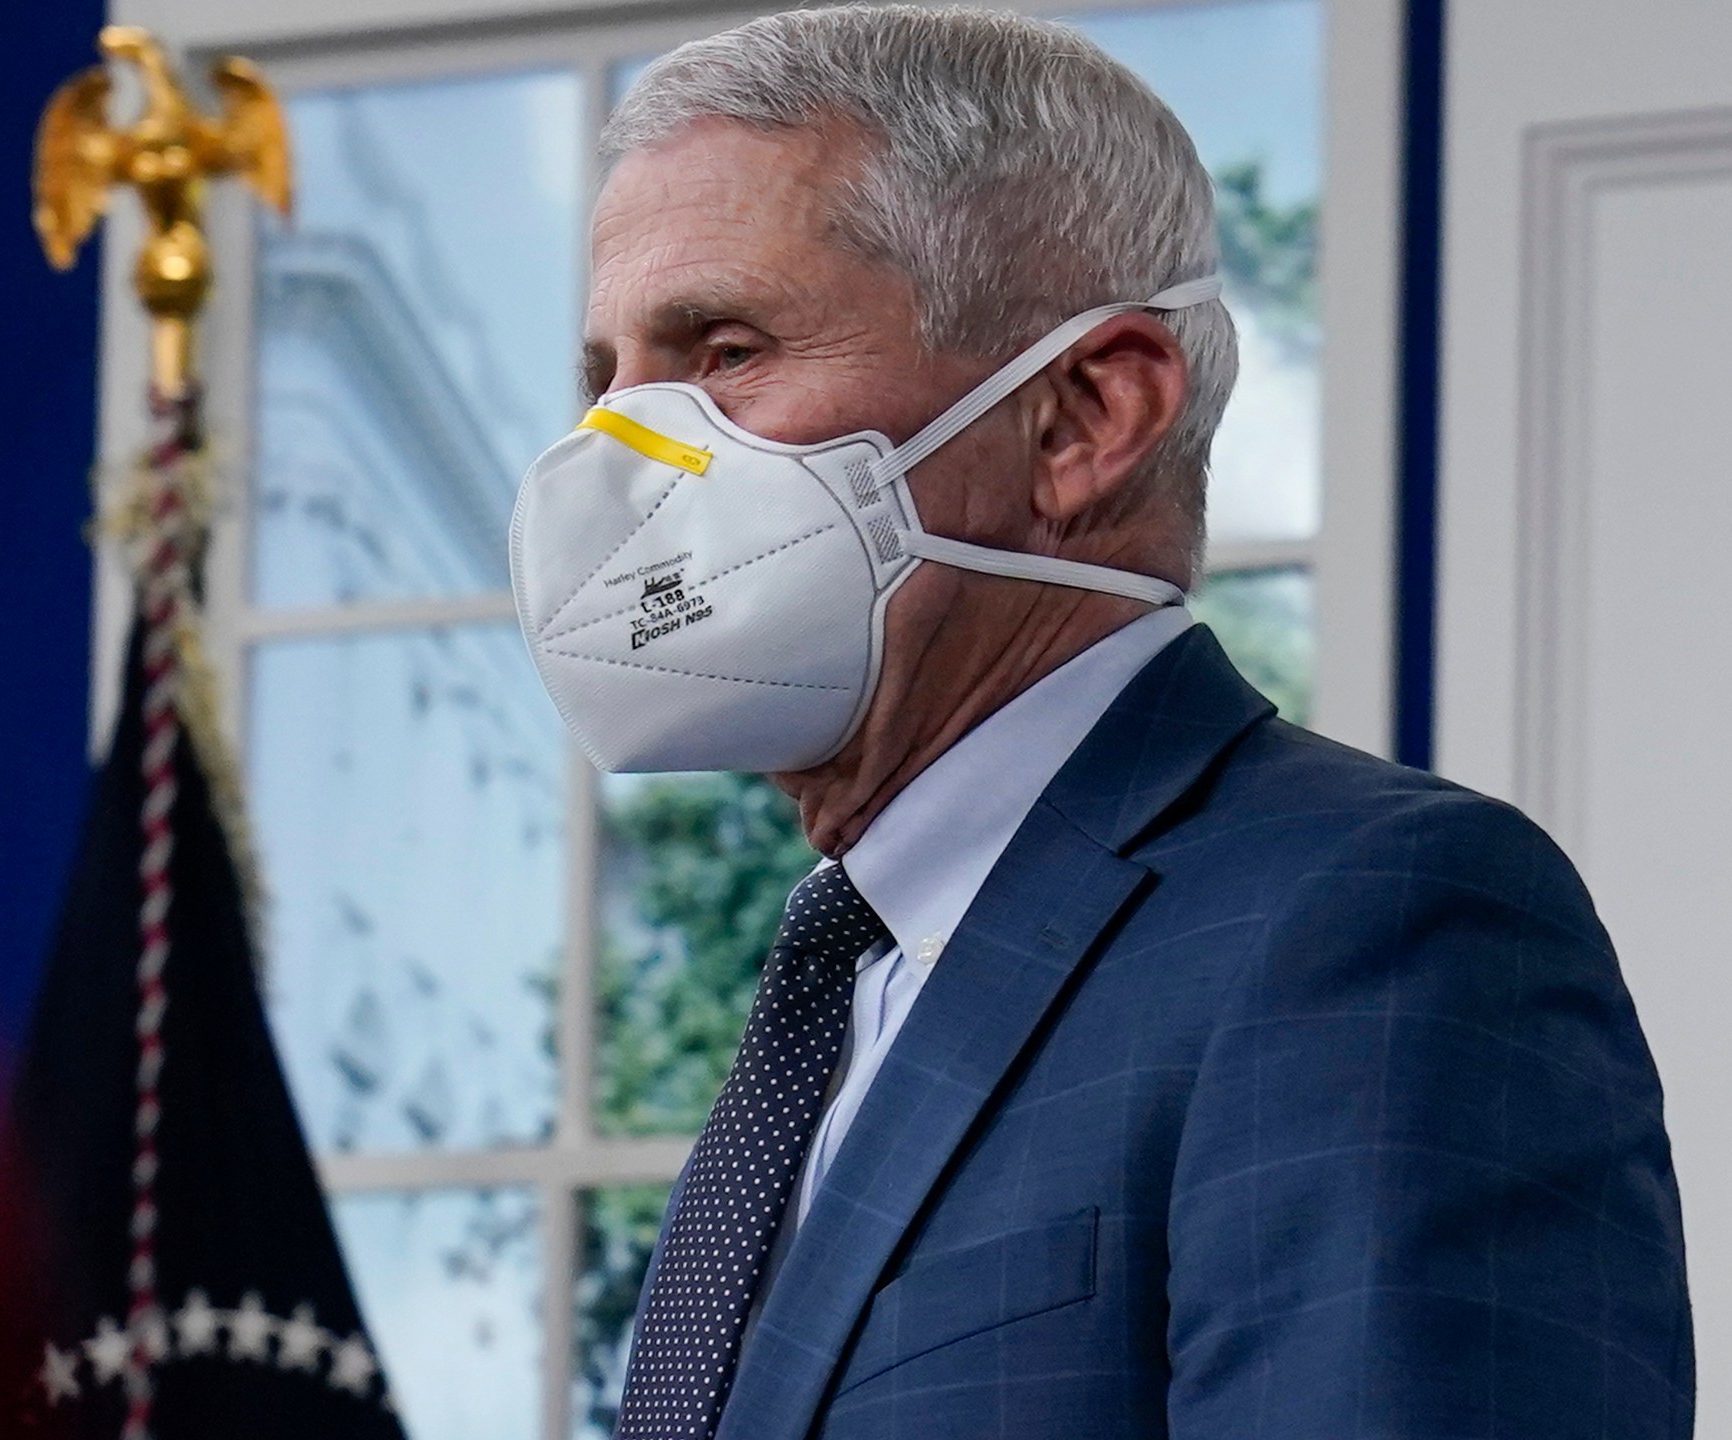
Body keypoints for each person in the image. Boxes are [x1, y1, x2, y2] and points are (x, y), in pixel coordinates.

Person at [506, 7, 1692, 1438]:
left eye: (724, 351)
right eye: (603, 379)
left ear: (1083, 414)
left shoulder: (1369, 920)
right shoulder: (845, 987)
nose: (615, 458)